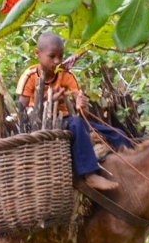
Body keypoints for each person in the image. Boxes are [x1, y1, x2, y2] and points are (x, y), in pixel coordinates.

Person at [17, 32, 133, 192]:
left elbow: (79, 101)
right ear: (37, 54)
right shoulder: (29, 76)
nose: (57, 61)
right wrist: (49, 102)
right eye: (52, 56)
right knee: (77, 123)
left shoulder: (65, 74)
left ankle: (130, 169)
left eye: (60, 56)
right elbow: (21, 112)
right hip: (44, 126)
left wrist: (81, 103)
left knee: (117, 133)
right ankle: (90, 175)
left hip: (68, 120)